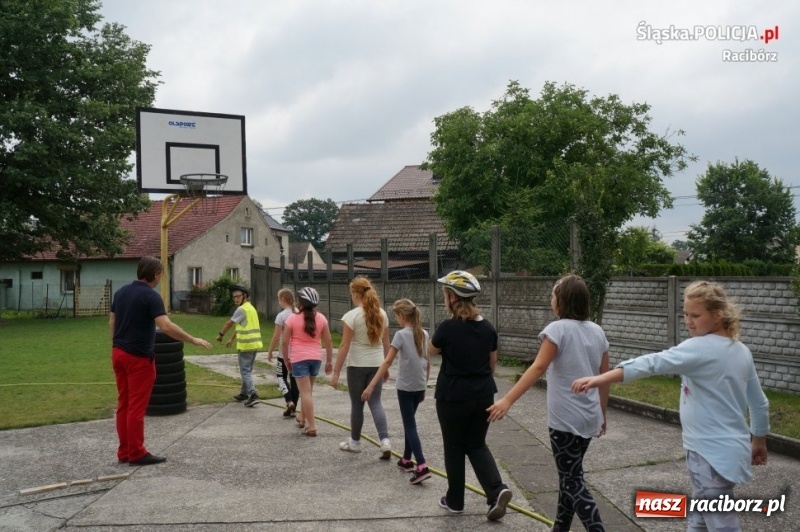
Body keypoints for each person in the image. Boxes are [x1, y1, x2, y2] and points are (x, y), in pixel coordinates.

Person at [572, 280, 770, 532]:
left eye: (695, 315)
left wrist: (601, 378)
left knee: (721, 523)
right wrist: (759, 441)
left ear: (718, 315)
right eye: (685, 314)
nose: (688, 320)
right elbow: (760, 403)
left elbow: (653, 363)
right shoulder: (741, 351)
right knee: (700, 517)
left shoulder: (699, 348)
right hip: (732, 451)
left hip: (707, 454)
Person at [487, 273, 608, 531]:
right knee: (569, 477)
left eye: (553, 295)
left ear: (562, 301)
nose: (550, 299)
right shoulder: (597, 331)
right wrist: (602, 414)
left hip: (564, 420)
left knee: (572, 480)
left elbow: (538, 367)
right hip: (588, 417)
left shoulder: (556, 330)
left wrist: (507, 400)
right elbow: (604, 378)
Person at [110, 256, 212, 466]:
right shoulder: (151, 296)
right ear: (156, 274)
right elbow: (165, 326)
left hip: (118, 353)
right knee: (136, 407)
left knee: (124, 404)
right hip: (138, 358)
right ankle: (137, 453)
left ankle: (125, 451)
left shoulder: (121, 292)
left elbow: (112, 320)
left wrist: (117, 343)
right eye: (160, 274)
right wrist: (192, 339)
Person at [430, 270, 512, 521]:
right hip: (483, 395)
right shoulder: (488, 328)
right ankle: (497, 491)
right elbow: (493, 364)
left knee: (453, 447)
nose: (444, 298)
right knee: (476, 444)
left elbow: (430, 352)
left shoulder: (447, 327)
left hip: (452, 396)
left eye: (445, 294)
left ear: (453, 298)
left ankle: (455, 501)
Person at [362, 298, 432, 484]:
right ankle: (406, 460)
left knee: (410, 426)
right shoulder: (424, 334)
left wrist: (371, 385)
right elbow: (428, 363)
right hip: (418, 386)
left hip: (405, 388)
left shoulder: (401, 335)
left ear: (401, 316)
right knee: (411, 424)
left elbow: (387, 362)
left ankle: (422, 465)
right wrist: (424, 385)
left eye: (396, 316)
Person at [330, 277, 391, 458]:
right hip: (377, 363)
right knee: (376, 402)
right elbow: (386, 342)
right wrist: (386, 365)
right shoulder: (382, 314)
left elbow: (344, 346)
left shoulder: (351, 316)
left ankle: (355, 442)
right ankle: (385, 441)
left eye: (352, 294)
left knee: (357, 404)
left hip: (357, 365)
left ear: (356, 294)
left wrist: (336, 372)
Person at [281, 287, 333, 437]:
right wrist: (329, 361)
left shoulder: (292, 318)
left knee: (305, 393)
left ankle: (312, 426)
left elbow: (285, 343)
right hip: (315, 358)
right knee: (308, 392)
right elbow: (328, 341)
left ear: (301, 302)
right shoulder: (322, 318)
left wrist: (286, 359)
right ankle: (302, 418)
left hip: (299, 358)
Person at [216, 284, 263, 408]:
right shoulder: (250, 308)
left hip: (246, 345)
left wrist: (221, 335)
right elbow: (241, 326)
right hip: (254, 344)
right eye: (234, 297)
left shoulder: (241, 309)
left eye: (238, 296)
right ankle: (243, 394)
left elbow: (229, 323)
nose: (235, 299)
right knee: (247, 370)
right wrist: (231, 339)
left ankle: (253, 394)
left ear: (245, 296)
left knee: (245, 371)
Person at [267, 288, 299, 417]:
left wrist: (270, 351)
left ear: (283, 300)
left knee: (281, 376)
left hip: (283, 353)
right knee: (295, 381)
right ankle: (293, 409)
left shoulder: (281, 316)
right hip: (297, 353)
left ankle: (289, 400)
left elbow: (276, 336)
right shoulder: (298, 313)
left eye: (278, 298)